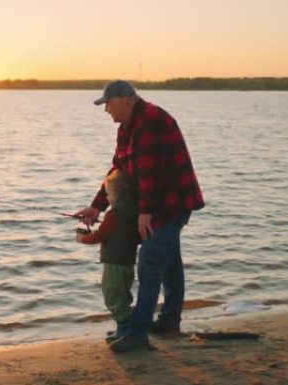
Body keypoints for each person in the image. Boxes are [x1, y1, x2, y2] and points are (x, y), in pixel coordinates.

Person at [75, 80, 205, 352]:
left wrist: (145, 212)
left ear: (125, 100)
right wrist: (97, 206)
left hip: (171, 203)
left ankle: (137, 332)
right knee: (169, 263)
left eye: (108, 104)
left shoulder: (152, 121)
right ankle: (169, 322)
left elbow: (151, 174)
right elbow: (118, 170)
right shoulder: (126, 128)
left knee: (149, 262)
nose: (106, 110)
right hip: (154, 203)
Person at [75, 169, 140, 343]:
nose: (107, 200)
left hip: (114, 262)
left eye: (108, 195)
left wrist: (82, 238)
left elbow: (99, 236)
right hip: (128, 262)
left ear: (116, 194)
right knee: (123, 295)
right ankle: (122, 328)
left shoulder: (114, 214)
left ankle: (125, 331)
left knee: (112, 295)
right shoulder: (133, 211)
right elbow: (115, 230)